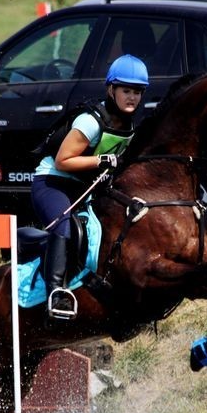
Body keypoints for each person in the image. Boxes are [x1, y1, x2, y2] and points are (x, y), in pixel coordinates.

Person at [31, 54, 149, 320]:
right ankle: (56, 292)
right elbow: (63, 161)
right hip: (52, 183)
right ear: (111, 89)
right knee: (64, 225)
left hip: (84, 187)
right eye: (126, 90)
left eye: (138, 92)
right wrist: (102, 160)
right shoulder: (91, 121)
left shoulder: (128, 125)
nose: (132, 97)